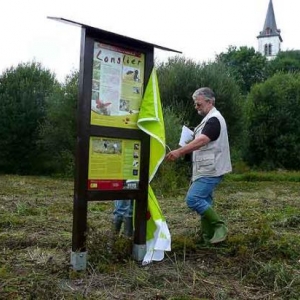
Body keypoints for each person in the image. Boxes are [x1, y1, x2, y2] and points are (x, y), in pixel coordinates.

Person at [165, 87, 232, 244]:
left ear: (209, 102)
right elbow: (201, 142)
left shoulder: (214, 119)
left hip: (211, 169)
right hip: (205, 168)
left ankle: (219, 226)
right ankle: (209, 238)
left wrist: (180, 151)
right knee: (205, 202)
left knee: (193, 199)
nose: (196, 107)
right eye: (195, 104)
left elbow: (202, 141)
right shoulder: (208, 120)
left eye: (198, 104)